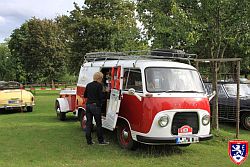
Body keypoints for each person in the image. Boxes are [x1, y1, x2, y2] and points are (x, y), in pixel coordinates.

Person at [84, 71, 109, 145]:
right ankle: (101, 141)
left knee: (88, 124)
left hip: (88, 106)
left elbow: (85, 95)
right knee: (98, 124)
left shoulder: (88, 85)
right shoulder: (99, 85)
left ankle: (89, 141)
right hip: (95, 106)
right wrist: (106, 93)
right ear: (100, 78)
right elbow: (101, 97)